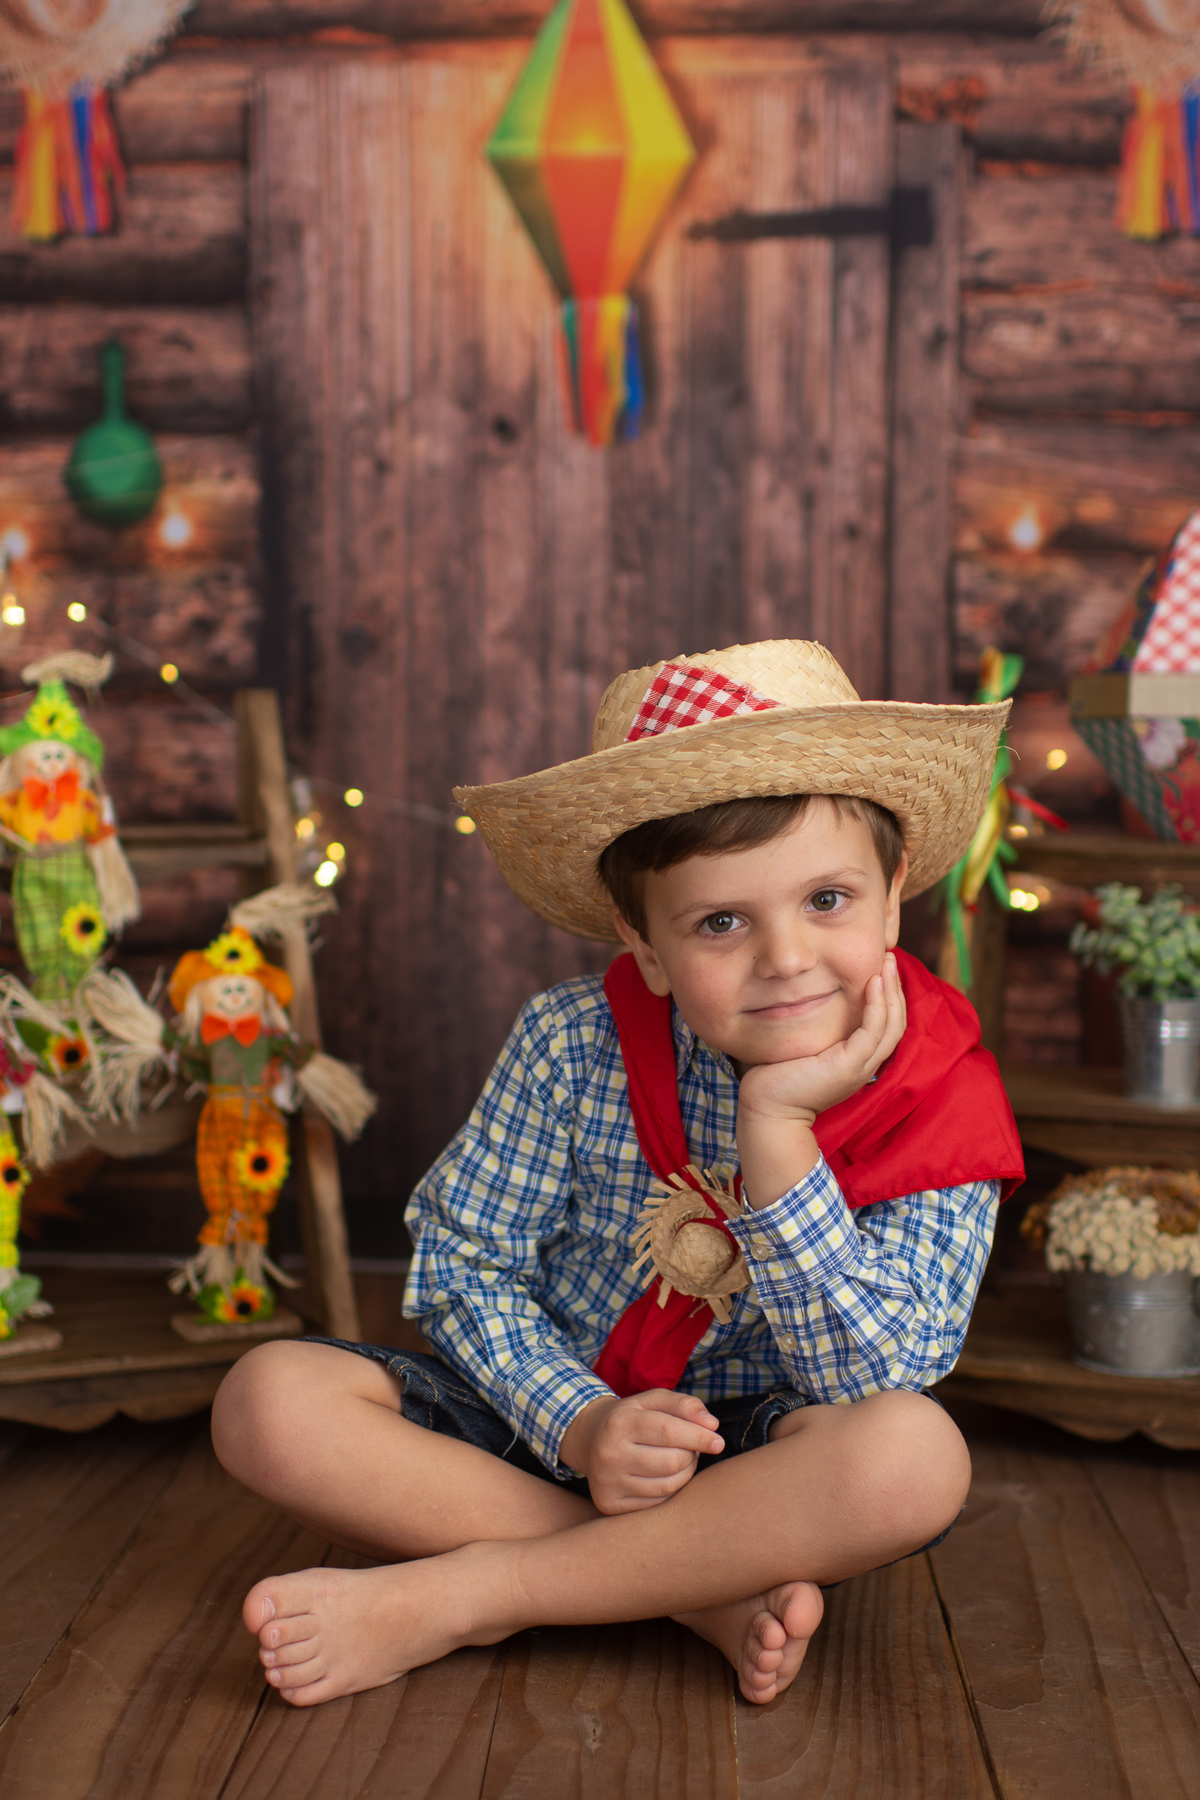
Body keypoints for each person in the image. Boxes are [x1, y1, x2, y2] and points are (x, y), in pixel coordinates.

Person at [211, 639, 1024, 1710]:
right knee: (266, 1401)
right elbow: (464, 1266)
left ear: (893, 896)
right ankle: (690, 1590)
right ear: (645, 944)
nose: (784, 956)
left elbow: (873, 1378)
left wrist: (777, 1139)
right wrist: (582, 1424)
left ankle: (468, 1594)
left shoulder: (944, 1095)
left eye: (826, 900)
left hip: (761, 1463)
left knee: (916, 1458)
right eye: (721, 922)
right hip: (540, 1420)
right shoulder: (570, 1044)